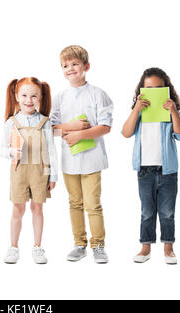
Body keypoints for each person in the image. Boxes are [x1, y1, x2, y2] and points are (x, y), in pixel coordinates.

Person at [50, 45, 113, 264]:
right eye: (65, 65)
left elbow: (105, 127)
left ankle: (98, 245)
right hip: (69, 161)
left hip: (92, 159)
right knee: (74, 202)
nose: (70, 69)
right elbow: (50, 128)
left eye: (75, 64)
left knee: (93, 204)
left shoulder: (98, 94)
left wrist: (80, 134)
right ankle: (79, 244)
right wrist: (72, 127)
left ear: (86, 66)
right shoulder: (59, 98)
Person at [121, 67, 180, 265]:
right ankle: (145, 247)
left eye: (158, 88)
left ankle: (169, 248)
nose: (154, 91)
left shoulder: (170, 112)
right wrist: (136, 109)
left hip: (167, 170)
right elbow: (125, 132)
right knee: (147, 211)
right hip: (145, 170)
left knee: (167, 212)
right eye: (149, 88)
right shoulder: (140, 113)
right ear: (142, 90)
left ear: (166, 89)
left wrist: (173, 110)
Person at [0, 77, 58, 264]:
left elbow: (51, 150)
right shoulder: (11, 122)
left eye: (34, 96)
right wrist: (11, 151)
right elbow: (1, 148)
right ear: (17, 96)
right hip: (19, 171)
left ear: (40, 97)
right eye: (24, 95)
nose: (28, 100)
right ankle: (13, 247)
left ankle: (37, 247)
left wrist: (53, 175)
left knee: (37, 208)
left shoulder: (45, 122)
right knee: (17, 208)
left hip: (40, 172)